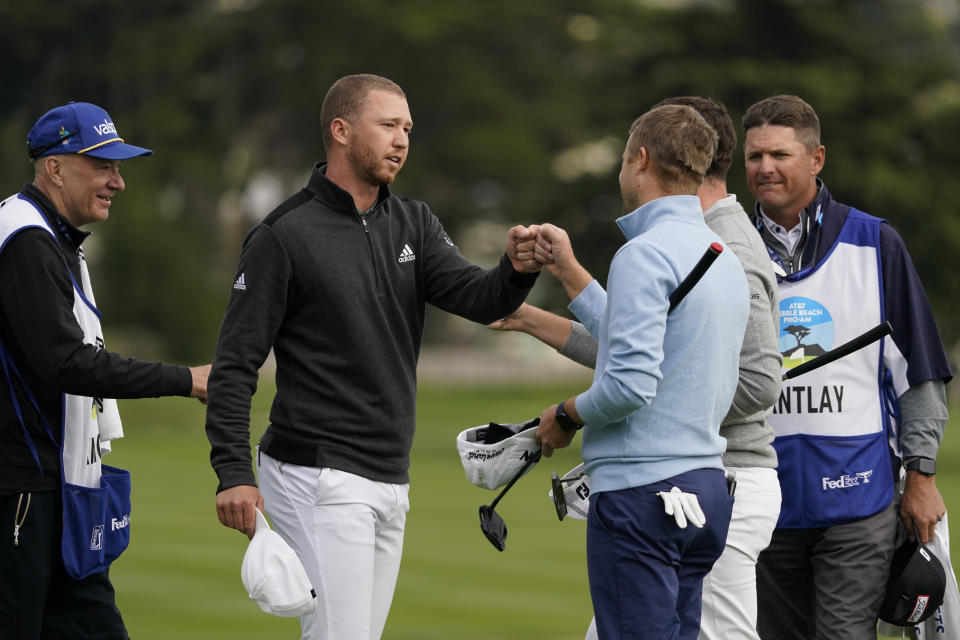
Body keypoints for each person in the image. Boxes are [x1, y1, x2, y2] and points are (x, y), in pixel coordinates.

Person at [204, 73, 541, 640]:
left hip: (390, 475)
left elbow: (481, 299)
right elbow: (235, 365)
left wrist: (516, 269)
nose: (402, 139)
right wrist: (232, 471)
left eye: (407, 128)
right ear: (340, 130)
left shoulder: (415, 222)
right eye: (388, 125)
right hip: (316, 472)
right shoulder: (282, 235)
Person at [494, 96, 783, 640]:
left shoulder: (644, 254)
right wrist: (569, 273)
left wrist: (566, 414)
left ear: (641, 159)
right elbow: (645, 340)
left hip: (642, 497)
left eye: (625, 158)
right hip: (704, 490)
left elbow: (629, 383)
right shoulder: (721, 250)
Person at [741, 95, 952, 640]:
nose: (765, 168)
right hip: (762, 501)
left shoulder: (876, 240)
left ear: (816, 159)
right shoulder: (727, 249)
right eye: (754, 156)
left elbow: (920, 371)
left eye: (780, 154)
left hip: (859, 501)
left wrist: (922, 474)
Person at [0, 101, 210, 639]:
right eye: (103, 166)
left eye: (118, 167)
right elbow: (66, 363)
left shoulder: (52, 237)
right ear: (55, 168)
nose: (118, 181)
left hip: (58, 486)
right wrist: (184, 379)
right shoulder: (26, 239)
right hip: (22, 491)